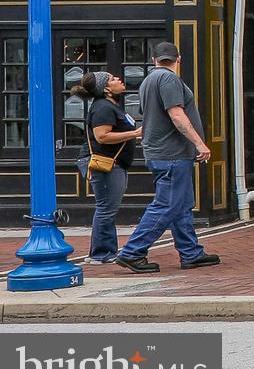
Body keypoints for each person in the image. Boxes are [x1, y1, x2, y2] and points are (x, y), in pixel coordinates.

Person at [115, 42, 218, 274]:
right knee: (167, 204)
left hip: (161, 152)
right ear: (178, 59)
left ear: (154, 60)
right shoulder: (169, 79)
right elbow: (177, 115)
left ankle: (191, 253)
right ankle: (133, 251)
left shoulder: (148, 81)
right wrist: (199, 143)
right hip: (172, 153)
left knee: (181, 205)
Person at [71, 71, 141, 264]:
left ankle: (106, 251)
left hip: (115, 164)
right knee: (106, 208)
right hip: (106, 165)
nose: (118, 79)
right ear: (107, 89)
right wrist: (134, 134)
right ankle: (101, 253)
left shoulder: (111, 106)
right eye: (112, 79)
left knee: (108, 208)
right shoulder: (103, 108)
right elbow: (102, 136)